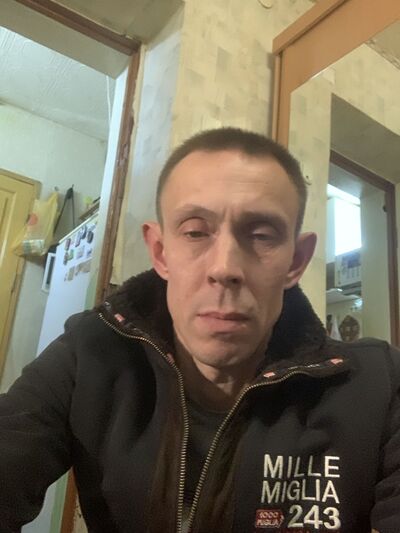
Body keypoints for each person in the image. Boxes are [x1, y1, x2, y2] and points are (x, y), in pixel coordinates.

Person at [0, 128, 399, 533]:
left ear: (295, 262)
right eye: (195, 231)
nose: (224, 267)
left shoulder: (379, 385)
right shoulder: (90, 353)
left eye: (262, 235)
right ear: (160, 253)